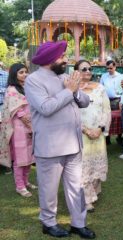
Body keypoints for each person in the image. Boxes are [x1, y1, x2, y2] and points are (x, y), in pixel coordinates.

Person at [24, 41, 95, 239]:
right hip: (50, 147)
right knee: (48, 190)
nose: (65, 60)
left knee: (76, 187)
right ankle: (48, 223)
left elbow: (85, 101)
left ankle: (78, 224)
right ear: (49, 60)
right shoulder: (33, 80)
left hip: (73, 145)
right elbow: (46, 108)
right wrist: (69, 90)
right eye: (62, 56)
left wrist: (76, 89)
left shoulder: (64, 77)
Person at [74, 60, 111, 212]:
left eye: (90, 69)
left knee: (97, 164)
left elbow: (106, 110)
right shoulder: (72, 90)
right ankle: (86, 199)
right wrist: (86, 130)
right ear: (76, 71)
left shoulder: (100, 88)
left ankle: (94, 191)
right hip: (80, 135)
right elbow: (70, 114)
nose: (88, 71)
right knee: (83, 166)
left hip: (98, 134)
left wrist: (100, 128)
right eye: (84, 69)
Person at [0, 63, 36, 197]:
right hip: (18, 128)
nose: (25, 75)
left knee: (29, 157)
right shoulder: (11, 89)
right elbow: (13, 108)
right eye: (21, 72)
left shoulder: (26, 87)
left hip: (30, 126)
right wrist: (25, 118)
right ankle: (19, 186)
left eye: (26, 72)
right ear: (14, 74)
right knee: (20, 159)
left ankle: (26, 181)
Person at [99, 60, 122, 145]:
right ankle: (107, 138)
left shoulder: (120, 76)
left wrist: (121, 101)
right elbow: (100, 87)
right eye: (107, 68)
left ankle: (119, 137)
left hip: (116, 100)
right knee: (106, 118)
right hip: (106, 100)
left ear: (115, 67)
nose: (109, 70)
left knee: (118, 120)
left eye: (111, 68)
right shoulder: (104, 76)